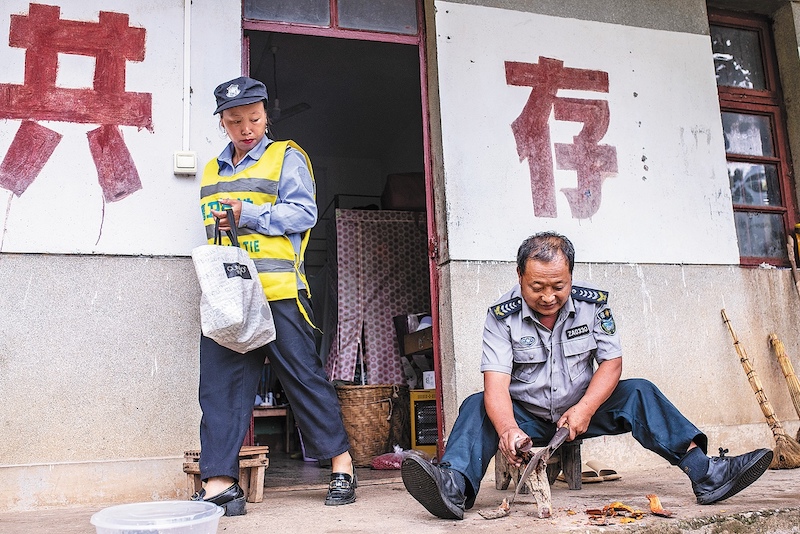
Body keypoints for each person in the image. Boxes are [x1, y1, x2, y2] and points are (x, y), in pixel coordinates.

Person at [401, 231, 773, 520]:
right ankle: (452, 488)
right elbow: (495, 382)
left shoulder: (594, 306)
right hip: (527, 414)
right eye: (537, 287)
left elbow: (611, 364)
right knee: (475, 405)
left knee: (640, 392)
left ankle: (707, 475)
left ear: (571, 276)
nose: (548, 296)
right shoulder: (501, 316)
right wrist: (508, 430)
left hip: (583, 410)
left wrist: (585, 408)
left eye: (558, 286)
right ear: (519, 276)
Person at [192, 76, 356, 515]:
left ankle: (342, 467)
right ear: (222, 123)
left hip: (279, 291)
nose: (246, 128)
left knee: (303, 378)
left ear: (266, 115)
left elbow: (304, 213)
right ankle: (220, 484)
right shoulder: (211, 170)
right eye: (235, 121)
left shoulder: (286, 157)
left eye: (254, 119)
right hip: (231, 297)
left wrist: (253, 214)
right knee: (221, 385)